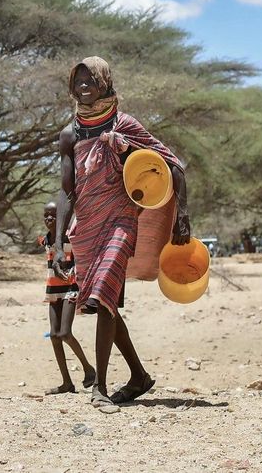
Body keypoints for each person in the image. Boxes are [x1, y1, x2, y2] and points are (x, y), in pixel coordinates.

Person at [53, 57, 191, 408]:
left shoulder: (124, 124)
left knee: (101, 300)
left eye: (91, 80)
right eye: (79, 80)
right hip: (86, 228)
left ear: (105, 82)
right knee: (106, 302)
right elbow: (67, 191)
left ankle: (99, 386)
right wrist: (58, 241)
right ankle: (138, 376)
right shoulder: (70, 134)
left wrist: (182, 216)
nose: (84, 86)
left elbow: (170, 163)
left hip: (120, 222)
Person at [38, 202, 96, 395]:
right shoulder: (46, 239)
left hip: (70, 289)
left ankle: (89, 369)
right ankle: (66, 383)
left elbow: (80, 260)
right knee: (54, 335)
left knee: (64, 333)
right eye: (46, 215)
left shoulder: (70, 238)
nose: (49, 219)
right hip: (53, 290)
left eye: (53, 215)